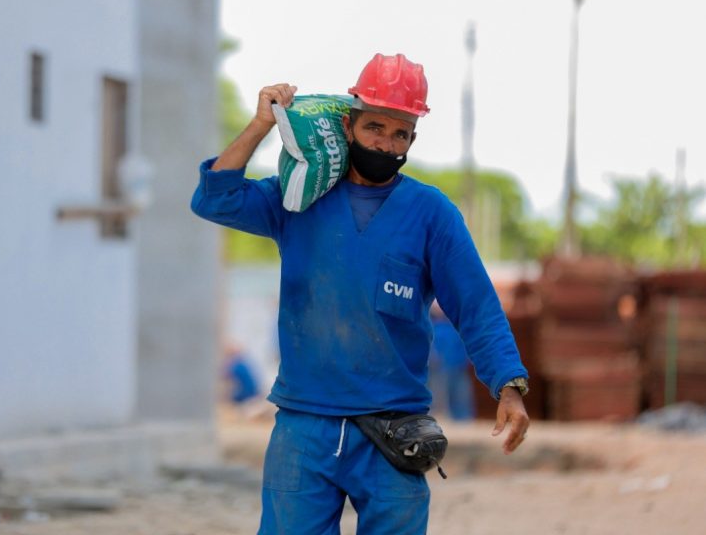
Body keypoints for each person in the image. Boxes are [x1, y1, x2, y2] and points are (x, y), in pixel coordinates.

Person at [191, 53, 529, 535]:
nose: (386, 144)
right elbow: (214, 199)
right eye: (375, 128)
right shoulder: (299, 197)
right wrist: (261, 124)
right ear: (349, 125)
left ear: (413, 137)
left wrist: (509, 387)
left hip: (393, 430)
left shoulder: (431, 214)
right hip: (305, 427)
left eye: (401, 135)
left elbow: (475, 306)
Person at [428, 303, 476, 421]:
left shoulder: (457, 326)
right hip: (437, 370)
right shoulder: (430, 326)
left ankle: (464, 421)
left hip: (459, 368)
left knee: (461, 397)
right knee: (437, 398)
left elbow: (467, 345)